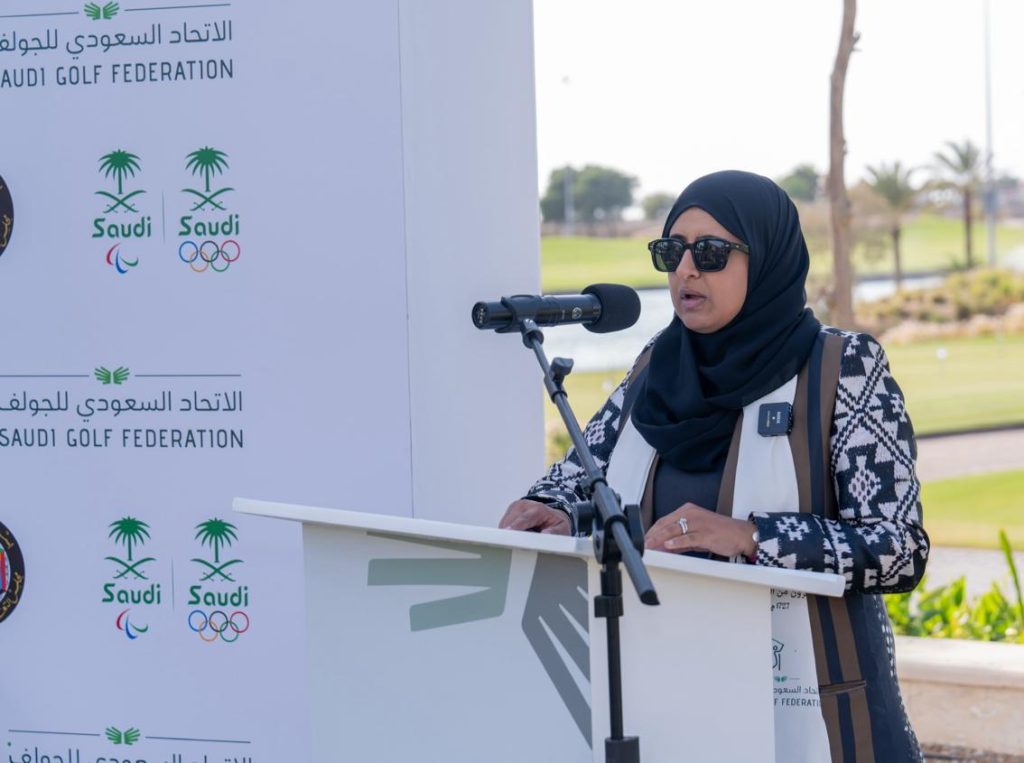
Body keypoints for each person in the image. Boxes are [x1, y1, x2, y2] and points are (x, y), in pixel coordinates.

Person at [499, 170, 929, 762]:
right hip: (672, 702)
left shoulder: (843, 367)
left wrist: (750, 537)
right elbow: (580, 474)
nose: (686, 270)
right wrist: (554, 511)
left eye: (710, 253)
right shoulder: (656, 366)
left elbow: (899, 547)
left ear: (768, 258)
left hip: (810, 713)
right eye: (671, 251)